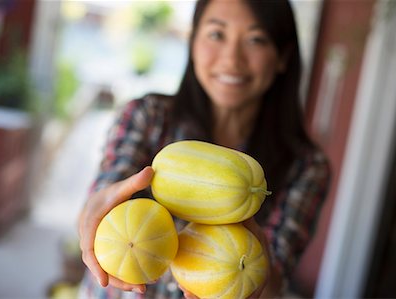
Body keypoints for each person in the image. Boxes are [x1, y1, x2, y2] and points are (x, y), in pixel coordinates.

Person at [78, 0, 331, 298]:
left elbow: (275, 276)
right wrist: (96, 209)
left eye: (255, 39)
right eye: (216, 34)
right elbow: (106, 194)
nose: (232, 59)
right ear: (193, 41)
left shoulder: (307, 166)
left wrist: (257, 277)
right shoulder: (147, 116)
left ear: (282, 57)